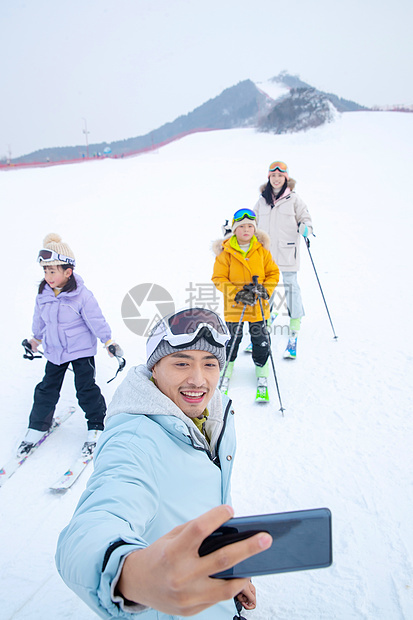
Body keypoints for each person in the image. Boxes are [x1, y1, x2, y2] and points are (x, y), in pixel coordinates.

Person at [55, 307, 272, 619]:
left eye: (210, 364)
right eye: (181, 363)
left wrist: (226, 569)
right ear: (154, 367)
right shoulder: (134, 440)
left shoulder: (211, 414)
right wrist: (133, 576)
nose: (198, 380)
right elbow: (93, 526)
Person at [17, 233, 123, 458]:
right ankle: (38, 426)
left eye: (52, 271)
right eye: (45, 271)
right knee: (46, 389)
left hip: (80, 351)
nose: (48, 276)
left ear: (68, 271)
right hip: (55, 351)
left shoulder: (81, 296)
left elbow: (96, 319)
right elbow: (40, 318)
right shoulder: (43, 294)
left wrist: (108, 341)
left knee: (85, 389)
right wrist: (35, 338)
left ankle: (97, 424)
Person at [212, 209, 280, 401]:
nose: (246, 230)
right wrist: (237, 293)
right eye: (241, 226)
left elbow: (273, 273)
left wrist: (265, 289)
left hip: (259, 306)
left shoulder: (262, 251)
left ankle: (262, 372)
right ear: (234, 229)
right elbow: (218, 278)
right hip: (235, 307)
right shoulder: (226, 253)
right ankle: (226, 371)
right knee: (232, 339)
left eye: (250, 226)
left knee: (261, 340)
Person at [253, 161, 313, 359]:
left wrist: (305, 228)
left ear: (286, 178)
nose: (276, 179)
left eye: (280, 176)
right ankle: (266, 317)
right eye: (273, 176)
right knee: (264, 287)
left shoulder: (294, 199)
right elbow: (251, 221)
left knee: (290, 286)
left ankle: (295, 320)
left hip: (287, 252)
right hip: (266, 254)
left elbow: (306, 218)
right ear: (269, 178)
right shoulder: (262, 200)